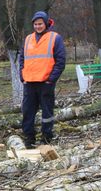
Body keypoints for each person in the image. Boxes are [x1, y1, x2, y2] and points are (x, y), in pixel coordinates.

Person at [18, 11, 66, 147]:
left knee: (47, 111)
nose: (38, 26)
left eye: (40, 24)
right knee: (27, 111)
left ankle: (46, 137)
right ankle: (29, 137)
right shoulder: (28, 39)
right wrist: (22, 76)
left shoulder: (55, 38)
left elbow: (61, 61)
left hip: (46, 82)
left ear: (46, 23)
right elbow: (22, 58)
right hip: (29, 82)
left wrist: (51, 79)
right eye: (35, 24)